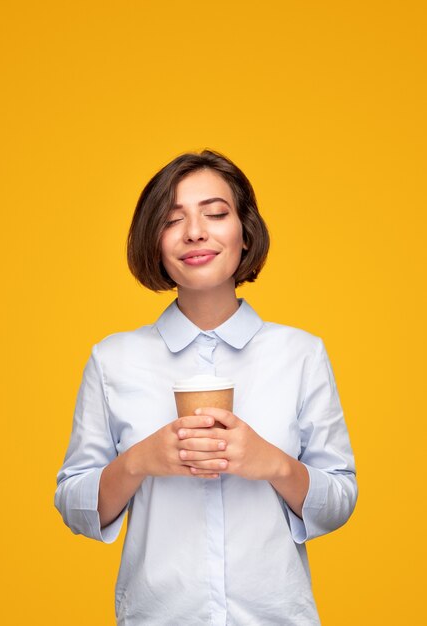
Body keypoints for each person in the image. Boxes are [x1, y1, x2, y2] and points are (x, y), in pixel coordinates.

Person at [55, 150, 358, 625]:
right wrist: (140, 461)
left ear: (245, 231)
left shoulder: (300, 354)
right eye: (173, 220)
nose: (195, 231)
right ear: (152, 241)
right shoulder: (113, 360)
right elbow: (74, 506)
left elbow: (339, 500)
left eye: (215, 214)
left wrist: (273, 463)